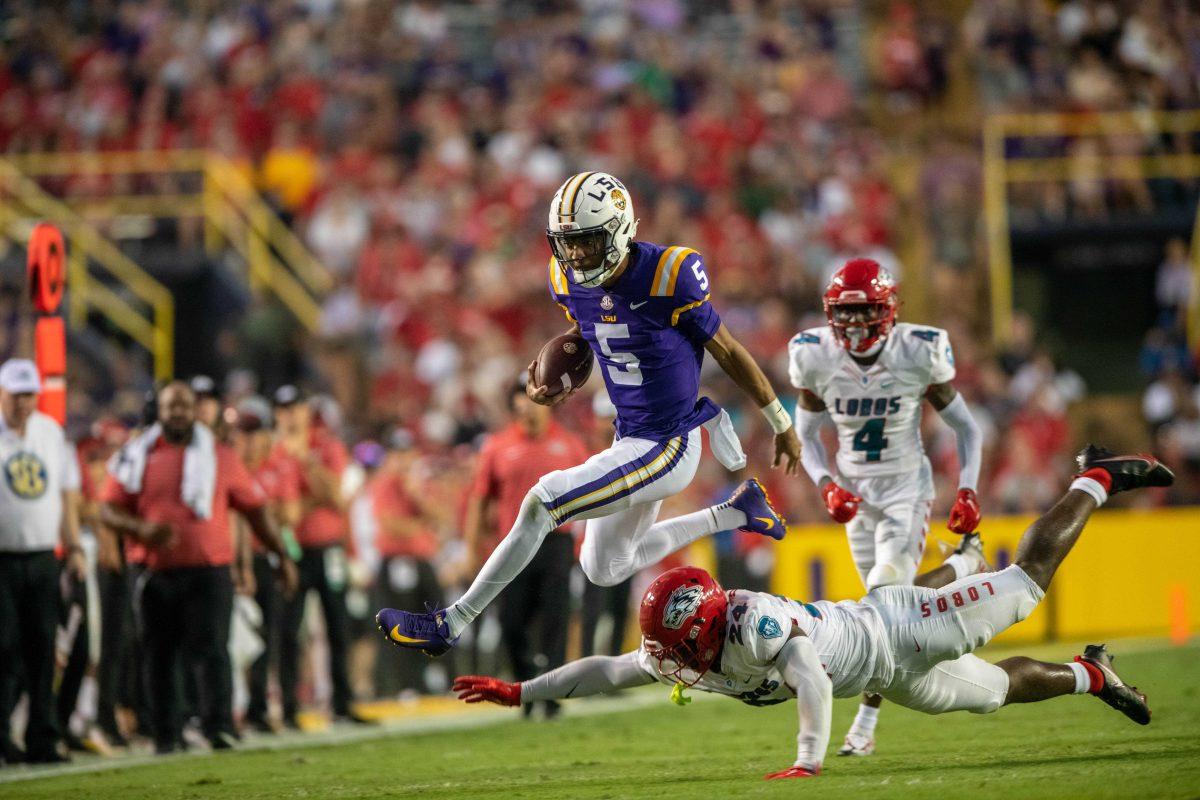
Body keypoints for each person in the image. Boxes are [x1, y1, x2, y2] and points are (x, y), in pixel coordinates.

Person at [453, 446, 1171, 780]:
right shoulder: (686, 640)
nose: (669, 661)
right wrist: (522, 690)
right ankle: (1092, 675)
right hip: (883, 663)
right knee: (994, 695)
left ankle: (1096, 476)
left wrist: (807, 763)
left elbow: (813, 679)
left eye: (677, 646)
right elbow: (610, 668)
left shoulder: (754, 624)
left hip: (898, 630)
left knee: (1029, 581)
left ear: (708, 624)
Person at [379, 171, 802, 656]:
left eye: (587, 242)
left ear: (620, 230)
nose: (576, 255)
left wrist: (780, 423)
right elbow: (588, 332)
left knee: (544, 501)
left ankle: (451, 622)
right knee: (604, 567)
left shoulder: (669, 272)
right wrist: (551, 374)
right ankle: (735, 512)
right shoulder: (565, 278)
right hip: (630, 438)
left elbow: (728, 350)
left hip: (669, 440)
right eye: (568, 243)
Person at [788, 257, 984, 756]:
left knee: (883, 597)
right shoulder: (813, 355)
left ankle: (865, 724)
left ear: (888, 309)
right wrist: (827, 483)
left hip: (904, 490)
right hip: (856, 497)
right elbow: (805, 435)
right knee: (884, 616)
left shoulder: (918, 350)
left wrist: (967, 488)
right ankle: (964, 562)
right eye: (844, 315)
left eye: (865, 313)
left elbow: (968, 427)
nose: (853, 326)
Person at [100, 381, 298, 754]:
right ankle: (165, 733)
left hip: (209, 570)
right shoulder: (137, 454)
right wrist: (141, 529)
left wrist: (282, 556)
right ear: (159, 410)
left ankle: (218, 726)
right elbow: (107, 507)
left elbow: (256, 511)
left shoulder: (220, 455)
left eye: (184, 406)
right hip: (154, 571)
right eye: (170, 406)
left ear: (194, 410)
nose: (177, 413)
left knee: (212, 650)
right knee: (160, 654)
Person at [464, 380, 590, 717]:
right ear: (514, 410)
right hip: (514, 543)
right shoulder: (496, 446)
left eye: (534, 403)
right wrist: (472, 548)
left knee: (555, 620)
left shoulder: (570, 445)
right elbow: (480, 499)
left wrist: (585, 541)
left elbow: (591, 496)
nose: (529, 411)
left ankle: (548, 694)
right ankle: (524, 685)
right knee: (510, 620)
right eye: (522, 405)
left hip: (557, 542)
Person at [0, 359, 85, 765]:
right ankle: (2, 736)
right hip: (1, 559)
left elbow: (68, 495)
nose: (23, 402)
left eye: (29, 394)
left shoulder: (51, 433)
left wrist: (74, 548)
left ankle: (41, 737)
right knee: (5, 647)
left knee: (42, 649)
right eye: (16, 394)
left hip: (41, 557)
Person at [272, 385, 369, 726]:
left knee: (337, 626)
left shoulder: (324, 446)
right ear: (276, 414)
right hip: (290, 550)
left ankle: (341, 704)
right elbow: (279, 508)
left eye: (294, 406)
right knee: (288, 630)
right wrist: (305, 501)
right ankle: (287, 710)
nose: (289, 414)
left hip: (327, 548)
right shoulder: (270, 450)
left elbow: (337, 497)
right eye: (283, 408)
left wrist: (304, 462)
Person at [230, 395, 302, 732]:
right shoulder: (233, 465)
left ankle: (265, 706)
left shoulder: (278, 466)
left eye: (255, 432)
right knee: (236, 638)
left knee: (269, 635)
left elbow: (288, 514)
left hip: (267, 557)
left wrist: (258, 515)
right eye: (244, 433)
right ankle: (240, 707)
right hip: (232, 558)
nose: (249, 440)